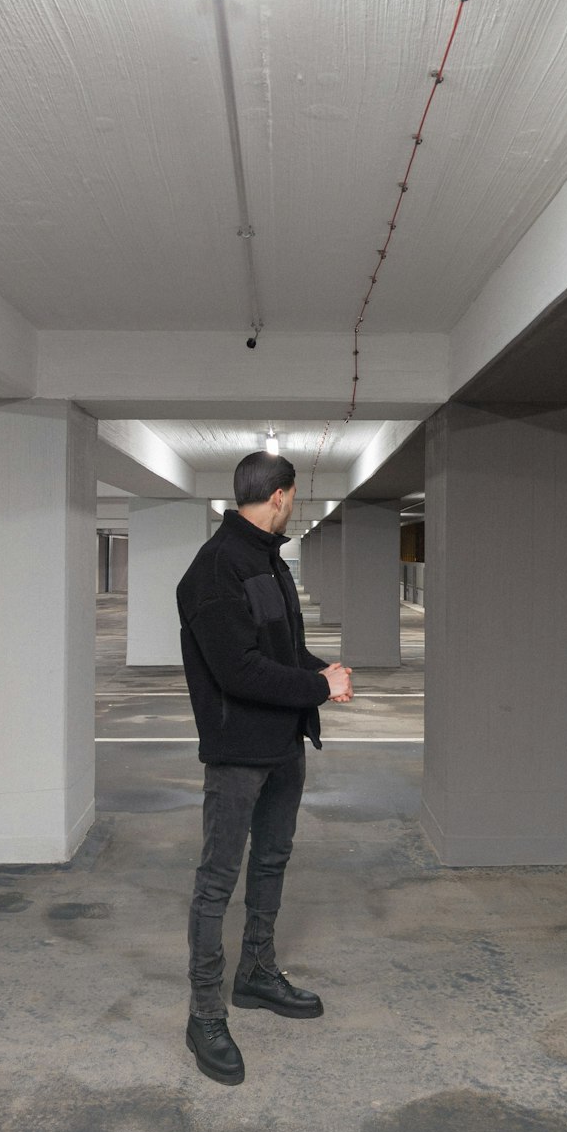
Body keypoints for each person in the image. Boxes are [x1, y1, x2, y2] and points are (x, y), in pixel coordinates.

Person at [176, 451, 353, 1085]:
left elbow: (278, 648)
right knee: (216, 881)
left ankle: (255, 974)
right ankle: (204, 1014)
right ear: (279, 497)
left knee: (272, 860)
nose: (293, 507)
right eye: (294, 498)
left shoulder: (268, 562)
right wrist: (317, 687)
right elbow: (239, 670)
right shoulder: (214, 570)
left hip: (283, 745)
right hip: (237, 753)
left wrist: (321, 670)